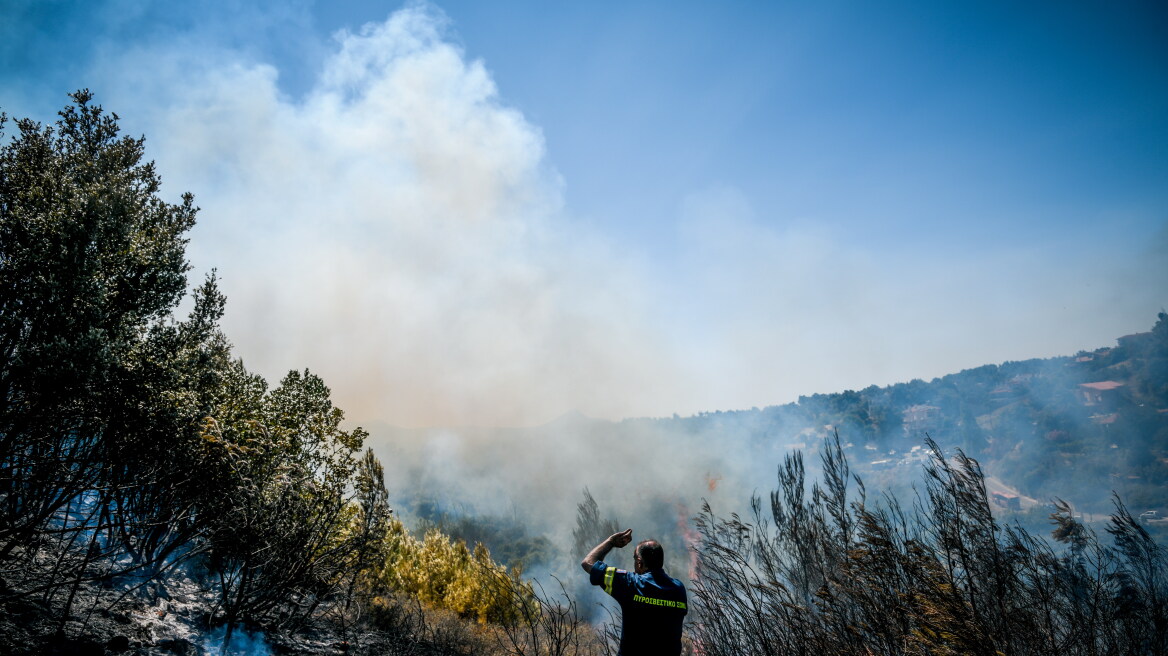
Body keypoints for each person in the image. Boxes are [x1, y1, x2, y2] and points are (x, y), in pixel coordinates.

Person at [581, 529, 687, 656]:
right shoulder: (679, 589)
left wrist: (611, 542)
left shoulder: (631, 584)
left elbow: (588, 562)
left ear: (639, 563)